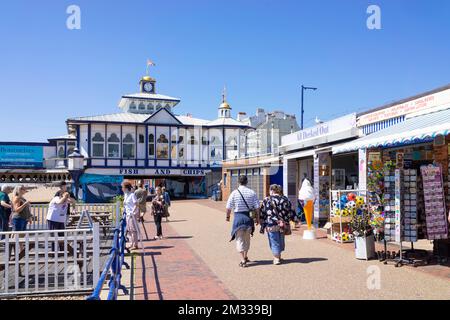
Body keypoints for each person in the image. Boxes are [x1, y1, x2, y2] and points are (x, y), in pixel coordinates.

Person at [225, 175, 260, 268]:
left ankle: (242, 259)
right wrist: (258, 219)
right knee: (247, 239)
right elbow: (257, 207)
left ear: (238, 182)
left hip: (238, 219)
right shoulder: (252, 192)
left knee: (240, 239)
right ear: (247, 182)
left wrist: (227, 217)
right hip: (249, 219)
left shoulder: (234, 193)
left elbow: (228, 207)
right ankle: (245, 256)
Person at [260, 184, 296, 265]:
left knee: (274, 240)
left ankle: (276, 258)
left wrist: (261, 221)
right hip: (283, 224)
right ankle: (278, 255)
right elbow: (291, 211)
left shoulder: (267, 200)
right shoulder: (285, 199)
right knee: (281, 239)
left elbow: (262, 212)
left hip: (271, 224)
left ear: (272, 190)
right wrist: (293, 219)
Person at [122, 180, 140, 250]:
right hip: (127, 215)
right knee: (129, 230)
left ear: (126, 188)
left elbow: (136, 204)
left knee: (133, 230)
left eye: (123, 187)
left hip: (132, 215)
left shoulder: (132, 195)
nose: (122, 189)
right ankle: (132, 243)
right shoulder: (126, 195)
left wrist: (132, 211)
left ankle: (135, 245)